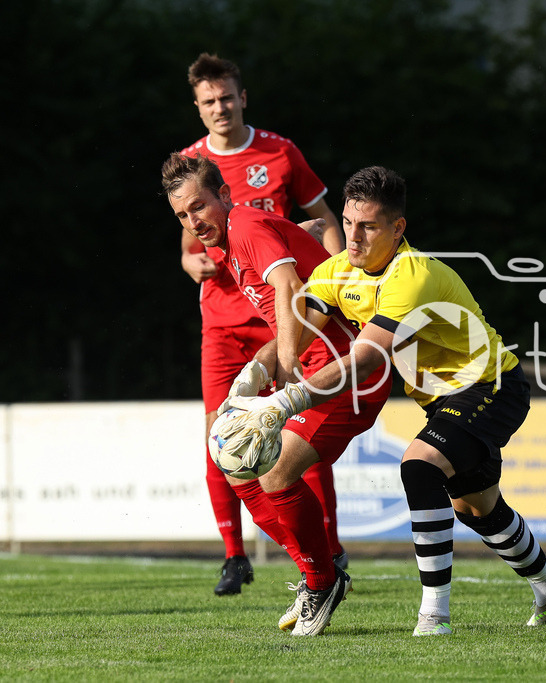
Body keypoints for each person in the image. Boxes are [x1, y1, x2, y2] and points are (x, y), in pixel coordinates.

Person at [220, 166, 546, 637]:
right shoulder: (336, 271)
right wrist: (256, 370)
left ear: (398, 229)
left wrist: (288, 400)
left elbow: (365, 359)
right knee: (477, 509)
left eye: (369, 226)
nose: (353, 237)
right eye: (349, 222)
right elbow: (298, 325)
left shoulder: (411, 276)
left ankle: (434, 617)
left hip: (492, 386)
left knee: (418, 465)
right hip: (442, 402)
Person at [162, 152, 391, 636]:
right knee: (235, 460)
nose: (193, 221)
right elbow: (302, 293)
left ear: (225, 195)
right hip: (316, 366)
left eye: (199, 207)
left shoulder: (244, 229)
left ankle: (321, 578)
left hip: (348, 375)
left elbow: (288, 287)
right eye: (182, 215)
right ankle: (317, 573)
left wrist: (284, 371)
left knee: (276, 475)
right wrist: (258, 368)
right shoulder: (236, 238)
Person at [178, 53, 348, 595]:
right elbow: (188, 251)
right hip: (225, 321)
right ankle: (236, 557)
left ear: (242, 97)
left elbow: (325, 220)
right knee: (222, 437)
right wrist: (193, 263)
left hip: (282, 315)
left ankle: (328, 554)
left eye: (226, 96)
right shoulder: (189, 167)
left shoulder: (277, 151)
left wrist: (342, 280)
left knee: (297, 435)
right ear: (198, 108)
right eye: (208, 101)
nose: (219, 107)